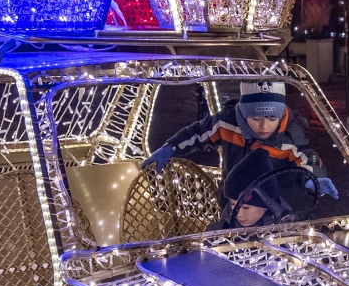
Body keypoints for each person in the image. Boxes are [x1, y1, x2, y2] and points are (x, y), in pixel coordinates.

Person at [144, 81, 338, 200]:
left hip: (273, 209)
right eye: (256, 119)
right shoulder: (226, 123)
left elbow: (306, 157)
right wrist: (170, 148)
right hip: (233, 204)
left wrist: (316, 177)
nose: (264, 126)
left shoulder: (288, 137)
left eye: (272, 119)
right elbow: (197, 133)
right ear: (244, 114)